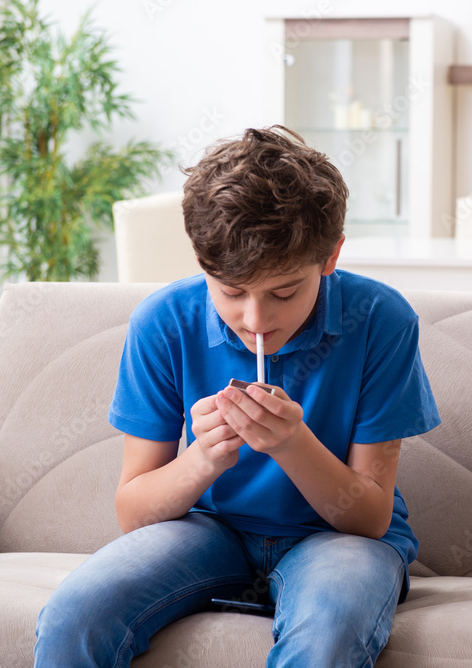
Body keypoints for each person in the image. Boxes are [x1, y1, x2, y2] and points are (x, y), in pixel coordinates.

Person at [34, 126, 441, 667]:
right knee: (75, 614)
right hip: (208, 530)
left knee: (329, 633)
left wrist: (291, 443)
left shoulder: (381, 321)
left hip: (338, 540)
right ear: (202, 263)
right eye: (230, 291)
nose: (255, 321)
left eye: (284, 292)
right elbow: (133, 510)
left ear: (331, 256)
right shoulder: (164, 322)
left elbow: (367, 517)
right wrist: (202, 459)